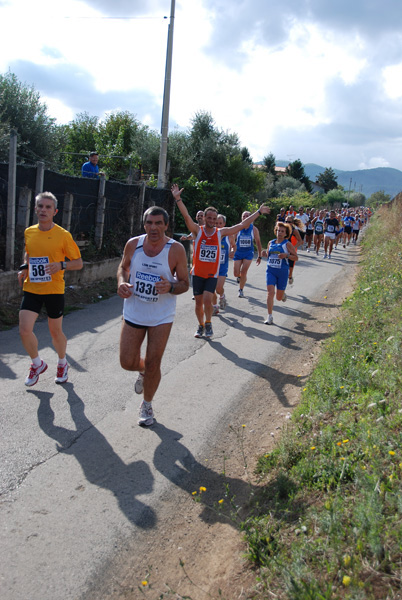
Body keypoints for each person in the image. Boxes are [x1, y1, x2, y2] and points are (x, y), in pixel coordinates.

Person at [117, 206, 189, 426]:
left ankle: (147, 405)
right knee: (127, 362)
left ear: (166, 225)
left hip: (161, 316)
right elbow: (122, 268)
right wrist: (121, 283)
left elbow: (185, 284)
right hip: (134, 310)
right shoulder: (134, 244)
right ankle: (142, 371)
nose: (154, 227)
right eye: (149, 222)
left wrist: (171, 286)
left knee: (154, 363)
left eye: (159, 223)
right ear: (144, 224)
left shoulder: (175, 249)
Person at [171, 183, 270, 339]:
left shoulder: (220, 233)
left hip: (212, 274)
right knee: (198, 303)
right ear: (204, 218)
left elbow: (242, 225)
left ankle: (208, 322)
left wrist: (258, 212)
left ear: (216, 219)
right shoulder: (198, 230)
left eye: (213, 218)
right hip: (197, 273)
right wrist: (178, 199)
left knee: (207, 300)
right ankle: (200, 325)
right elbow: (186, 216)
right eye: (208, 218)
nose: (210, 220)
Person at [18, 192, 83, 387]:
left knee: (55, 332)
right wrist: (24, 267)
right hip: (32, 288)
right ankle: (37, 364)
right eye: (40, 206)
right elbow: (28, 253)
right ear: (35, 209)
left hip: (54, 290)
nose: (43, 210)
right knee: (24, 330)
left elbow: (78, 263)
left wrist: (60, 265)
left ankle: (62, 363)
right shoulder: (29, 232)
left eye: (47, 207)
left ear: (54, 211)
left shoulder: (63, 235)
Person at [262, 221, 298, 325]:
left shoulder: (287, 244)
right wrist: (265, 253)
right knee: (270, 292)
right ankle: (269, 316)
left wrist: (286, 256)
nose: (280, 233)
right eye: (278, 230)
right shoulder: (271, 242)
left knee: (278, 297)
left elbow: (296, 257)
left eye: (282, 231)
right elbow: (269, 255)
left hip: (282, 272)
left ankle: (282, 295)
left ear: (286, 233)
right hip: (271, 271)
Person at [233, 211, 263, 298]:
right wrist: (232, 249)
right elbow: (232, 239)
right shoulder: (238, 228)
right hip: (238, 252)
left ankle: (241, 290)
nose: (245, 218)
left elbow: (258, 242)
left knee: (244, 272)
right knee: (236, 273)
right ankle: (240, 277)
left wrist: (259, 255)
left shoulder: (254, 229)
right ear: (241, 218)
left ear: (251, 218)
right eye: (243, 216)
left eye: (247, 216)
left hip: (248, 253)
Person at [212, 214, 236, 314]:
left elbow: (234, 246)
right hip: (211, 266)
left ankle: (222, 296)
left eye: (220, 223)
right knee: (211, 288)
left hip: (222, 266)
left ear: (224, 224)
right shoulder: (210, 234)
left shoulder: (229, 235)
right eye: (216, 223)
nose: (218, 225)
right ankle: (214, 306)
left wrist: (232, 251)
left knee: (218, 288)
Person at [284, 215, 303, 284]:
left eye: (289, 222)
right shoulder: (282, 229)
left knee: (290, 270)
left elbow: (301, 241)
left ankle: (290, 276)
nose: (287, 223)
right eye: (286, 221)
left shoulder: (294, 231)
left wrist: (293, 247)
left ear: (292, 223)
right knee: (283, 271)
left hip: (291, 253)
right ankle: (282, 290)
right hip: (283, 251)